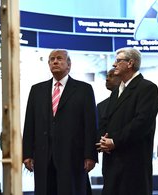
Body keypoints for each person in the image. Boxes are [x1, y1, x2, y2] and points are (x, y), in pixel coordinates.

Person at [22, 49, 98, 195]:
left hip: (73, 157)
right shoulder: (37, 90)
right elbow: (29, 124)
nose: (55, 61)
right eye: (51, 59)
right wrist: (27, 154)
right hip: (43, 156)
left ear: (69, 65)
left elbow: (90, 124)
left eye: (59, 58)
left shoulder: (84, 90)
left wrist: (90, 155)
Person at [96, 47, 158, 195]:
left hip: (133, 162)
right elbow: (106, 118)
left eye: (118, 61)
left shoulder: (147, 88)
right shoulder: (118, 90)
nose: (114, 64)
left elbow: (142, 123)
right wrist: (103, 141)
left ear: (130, 63)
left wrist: (115, 141)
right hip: (112, 161)